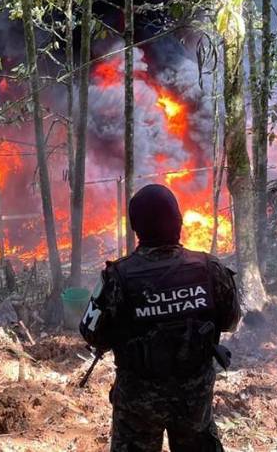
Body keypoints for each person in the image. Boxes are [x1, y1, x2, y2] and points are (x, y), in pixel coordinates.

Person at [80, 184, 241, 452]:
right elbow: (230, 320)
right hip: (193, 400)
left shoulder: (117, 277)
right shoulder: (209, 268)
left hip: (138, 406)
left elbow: (91, 332)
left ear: (136, 229)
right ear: (179, 221)